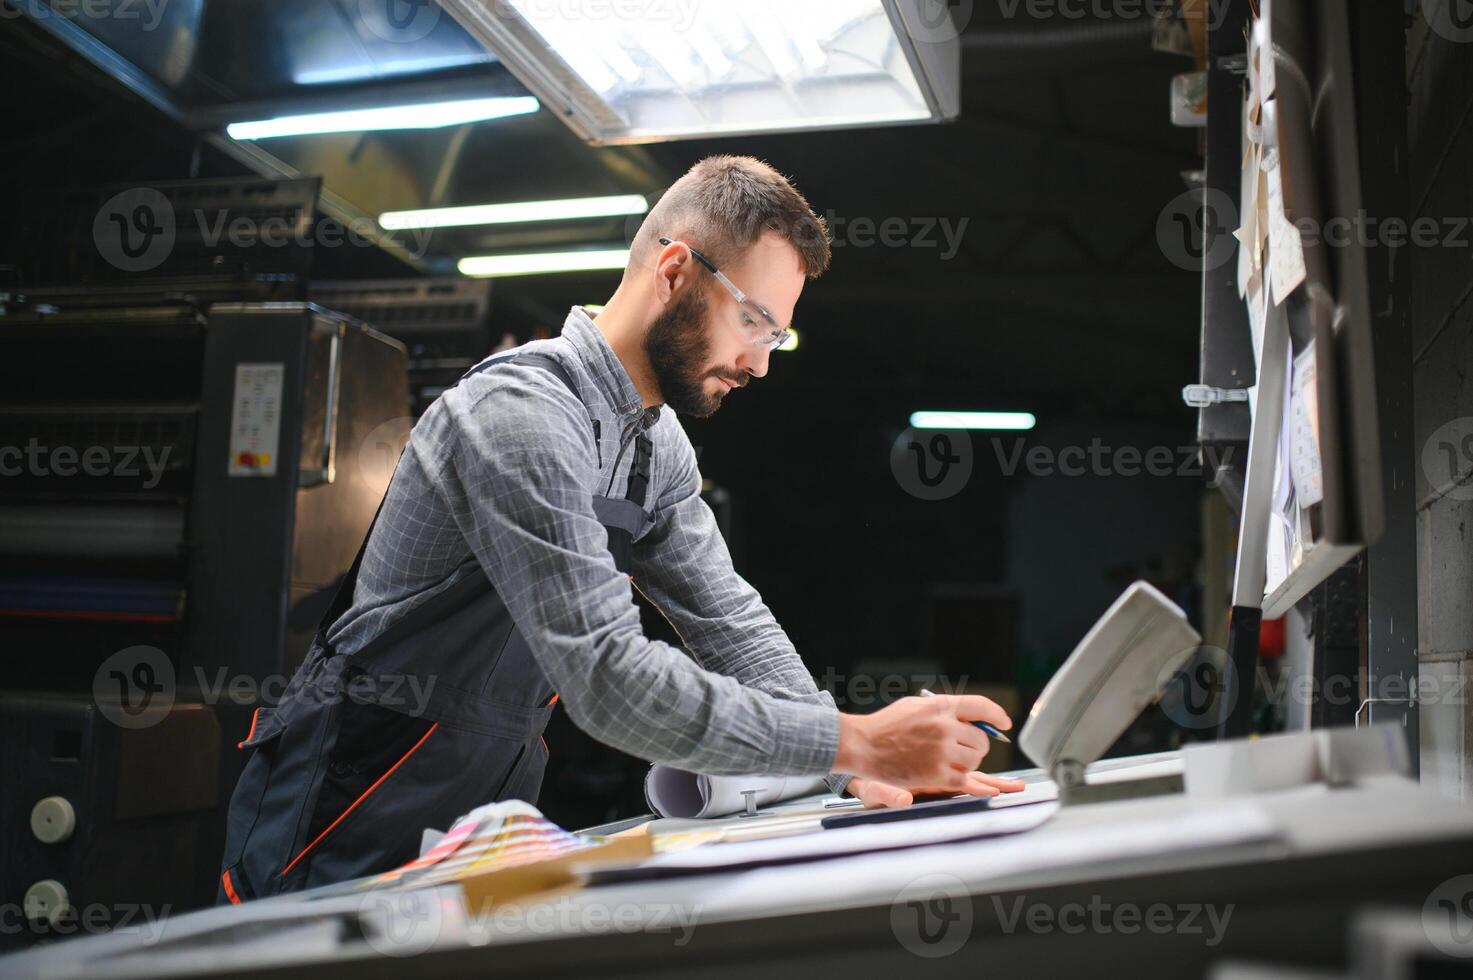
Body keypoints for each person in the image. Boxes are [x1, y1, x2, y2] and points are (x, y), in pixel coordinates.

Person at [217, 156, 1021, 903]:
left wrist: (844, 770)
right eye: (751, 321)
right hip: (343, 802)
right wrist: (850, 742)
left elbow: (729, 621)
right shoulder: (519, 415)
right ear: (674, 271)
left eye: (774, 334)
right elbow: (605, 677)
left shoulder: (653, 444)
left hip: (482, 810)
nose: (761, 362)